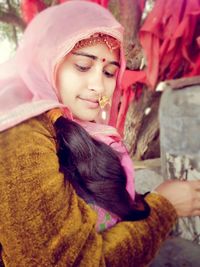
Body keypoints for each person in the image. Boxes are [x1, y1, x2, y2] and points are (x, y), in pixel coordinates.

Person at [0, 1, 200, 266]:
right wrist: (164, 208)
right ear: (44, 61)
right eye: (83, 66)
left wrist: (147, 201)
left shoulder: (78, 129)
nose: (99, 86)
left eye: (108, 72)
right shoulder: (19, 137)